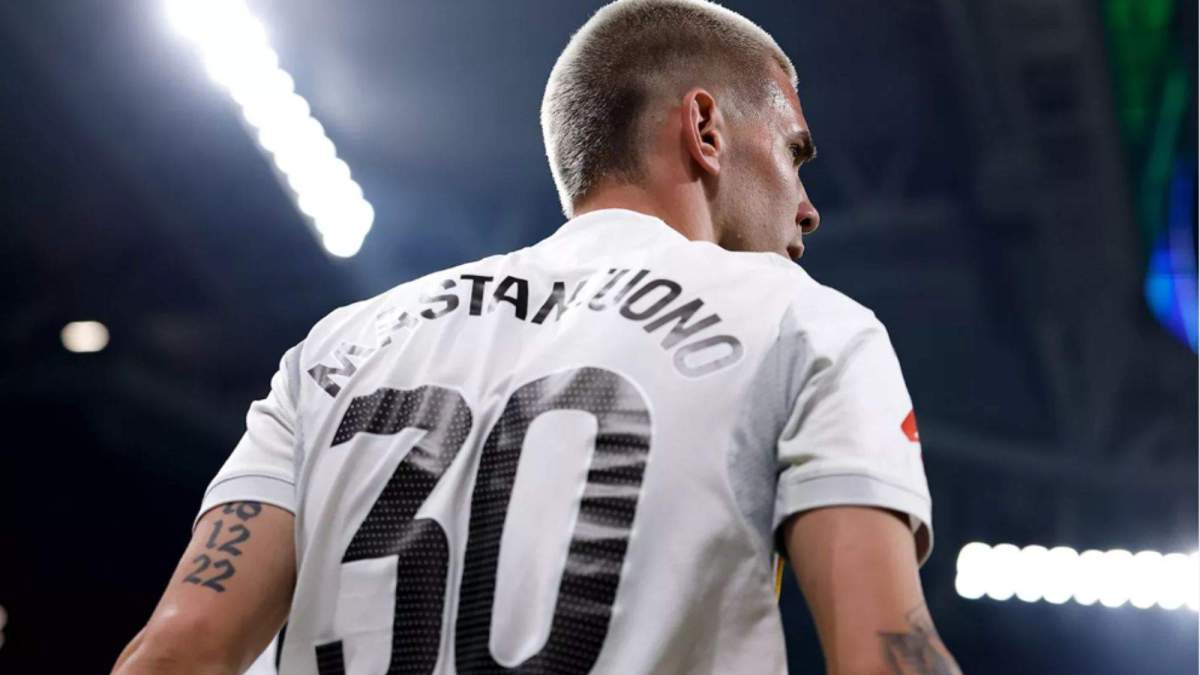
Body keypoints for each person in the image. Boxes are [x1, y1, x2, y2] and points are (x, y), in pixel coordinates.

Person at [113, 0, 960, 673]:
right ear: (705, 131)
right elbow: (883, 655)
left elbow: (179, 652)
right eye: (794, 152)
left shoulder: (337, 348)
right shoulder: (806, 321)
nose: (808, 204)